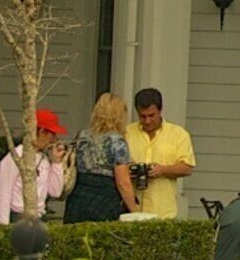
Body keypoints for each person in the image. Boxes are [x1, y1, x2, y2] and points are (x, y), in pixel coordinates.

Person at [0, 109, 73, 225]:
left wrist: (56, 163)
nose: (54, 139)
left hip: (39, 217)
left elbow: (55, 192)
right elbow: (2, 194)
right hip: (18, 217)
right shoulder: (16, 157)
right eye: (52, 134)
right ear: (41, 132)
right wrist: (3, 226)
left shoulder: (44, 158)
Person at [66, 93, 137, 224]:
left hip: (78, 195)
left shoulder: (82, 135)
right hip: (105, 196)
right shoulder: (117, 142)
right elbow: (123, 183)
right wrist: (135, 211)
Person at [127, 87, 197, 220]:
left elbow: (187, 168)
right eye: (143, 116)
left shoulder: (178, 134)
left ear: (160, 110)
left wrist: (162, 170)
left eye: (151, 115)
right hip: (132, 212)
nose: (147, 121)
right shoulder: (127, 133)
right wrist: (128, 171)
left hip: (163, 212)